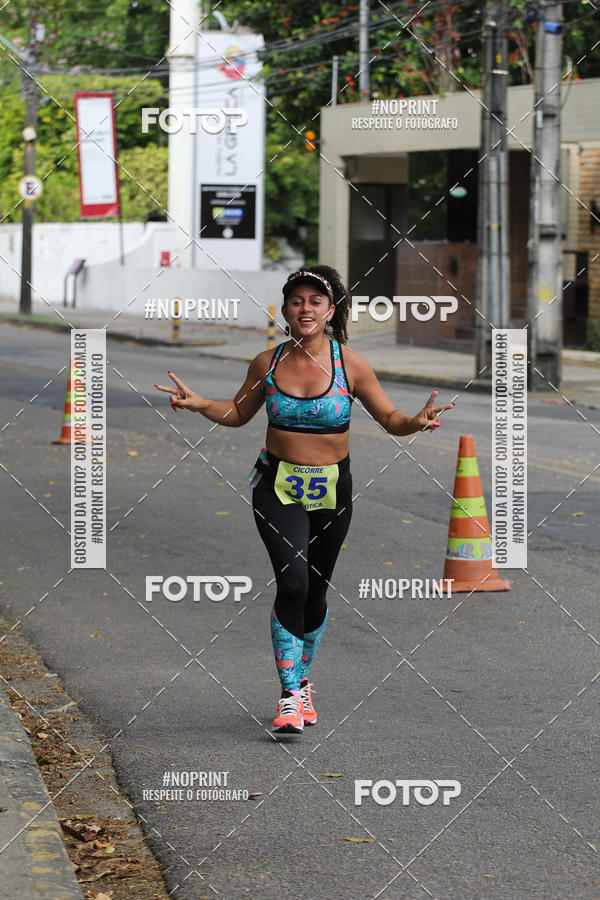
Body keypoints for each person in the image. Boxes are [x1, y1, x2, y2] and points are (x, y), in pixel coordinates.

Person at [155, 265, 454, 734]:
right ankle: (290, 695)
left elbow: (390, 418)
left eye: (316, 301)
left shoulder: (350, 365)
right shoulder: (267, 363)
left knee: (315, 591)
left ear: (331, 311)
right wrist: (200, 404)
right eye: (296, 301)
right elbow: (237, 413)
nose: (305, 308)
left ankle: (302, 680)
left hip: (333, 490)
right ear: (285, 310)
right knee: (292, 583)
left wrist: (416, 422)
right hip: (277, 487)